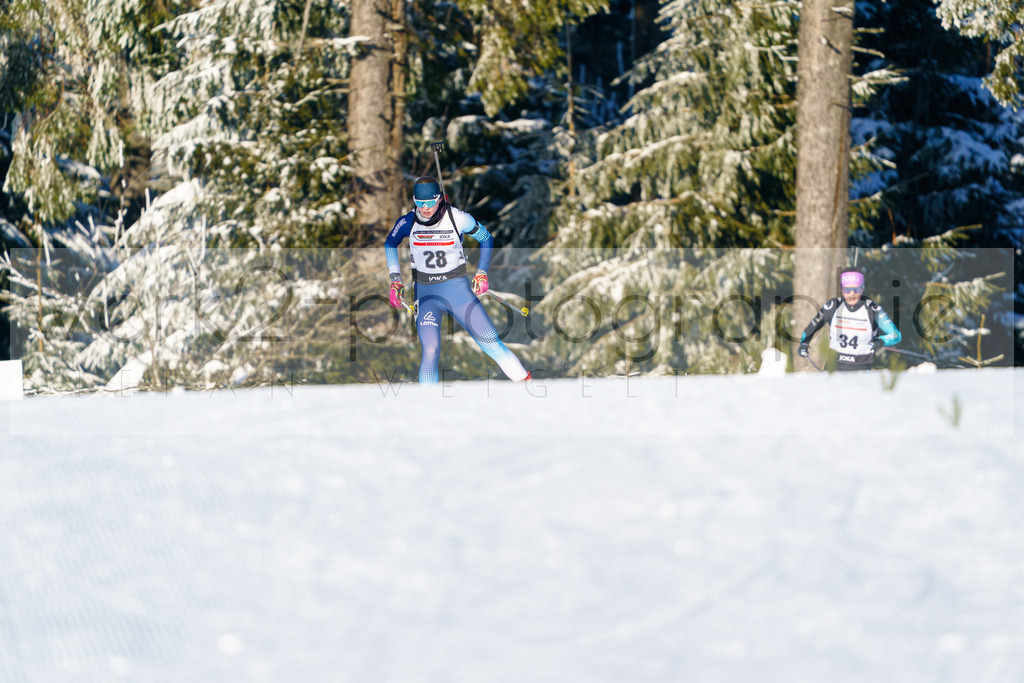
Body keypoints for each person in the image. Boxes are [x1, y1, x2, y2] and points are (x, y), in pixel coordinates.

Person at [384, 176, 531, 383]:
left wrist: (482, 272)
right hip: (426, 294)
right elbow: (390, 244)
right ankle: (429, 406)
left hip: (457, 290)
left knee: (490, 342)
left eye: (430, 202)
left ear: (439, 198)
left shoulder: (458, 218)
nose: (425, 208)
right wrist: (395, 279)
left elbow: (486, 237)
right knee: (431, 350)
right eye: (419, 203)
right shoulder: (408, 221)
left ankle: (527, 387)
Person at [798, 268, 901, 371]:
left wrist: (881, 341)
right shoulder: (833, 306)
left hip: (861, 370)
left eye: (856, 289)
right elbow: (811, 327)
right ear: (842, 290)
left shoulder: (872, 309)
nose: (852, 294)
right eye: (847, 290)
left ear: (862, 288)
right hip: (834, 368)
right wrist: (804, 343)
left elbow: (896, 335)